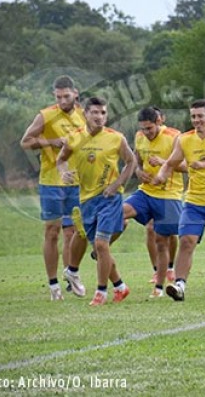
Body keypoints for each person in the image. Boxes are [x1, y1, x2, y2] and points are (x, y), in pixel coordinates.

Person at [153, 99, 205, 301]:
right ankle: (180, 285)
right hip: (194, 202)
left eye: (200, 116)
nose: (197, 120)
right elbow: (171, 162)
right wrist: (162, 175)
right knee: (187, 241)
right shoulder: (185, 139)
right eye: (193, 117)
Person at [56, 96, 135, 306]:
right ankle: (120, 286)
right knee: (100, 247)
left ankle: (101, 292)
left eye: (103, 113)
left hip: (110, 198)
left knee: (101, 243)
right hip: (86, 200)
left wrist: (117, 184)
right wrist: (63, 172)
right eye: (95, 112)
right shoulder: (74, 138)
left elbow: (131, 161)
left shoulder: (116, 138)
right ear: (85, 114)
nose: (99, 117)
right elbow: (61, 159)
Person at [20, 75, 88, 301]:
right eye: (58, 97)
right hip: (51, 182)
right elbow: (25, 142)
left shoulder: (84, 115)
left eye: (66, 96)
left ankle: (71, 276)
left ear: (75, 93)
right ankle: (53, 285)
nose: (62, 101)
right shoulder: (46, 115)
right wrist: (50, 142)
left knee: (75, 232)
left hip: (77, 182)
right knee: (52, 232)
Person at [123, 107, 185, 298]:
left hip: (169, 195)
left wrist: (164, 162)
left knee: (162, 240)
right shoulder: (139, 136)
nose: (146, 132)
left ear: (158, 122)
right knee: (118, 212)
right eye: (143, 128)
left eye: (149, 128)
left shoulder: (174, 137)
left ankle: (159, 286)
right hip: (146, 192)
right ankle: (99, 247)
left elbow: (186, 166)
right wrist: (138, 171)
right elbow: (136, 159)